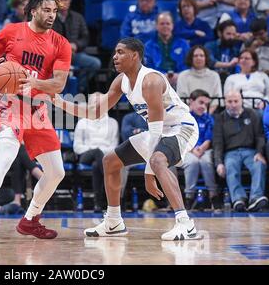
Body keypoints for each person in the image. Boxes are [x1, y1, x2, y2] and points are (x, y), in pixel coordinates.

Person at [54, 37, 202, 241]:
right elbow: (95, 112)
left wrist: (149, 175)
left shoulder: (151, 80)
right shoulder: (121, 81)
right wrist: (59, 102)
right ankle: (114, 221)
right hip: (156, 131)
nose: (115, 56)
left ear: (135, 56)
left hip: (181, 128)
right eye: (115, 52)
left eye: (120, 52)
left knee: (158, 160)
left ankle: (186, 223)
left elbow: (157, 132)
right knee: (110, 161)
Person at [0, 0, 71, 239]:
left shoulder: (60, 43)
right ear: (34, 10)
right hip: (13, 104)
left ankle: (30, 220)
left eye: (55, 11)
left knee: (57, 172)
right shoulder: (12, 31)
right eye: (47, 10)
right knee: (5, 156)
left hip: (38, 110)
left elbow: (58, 84)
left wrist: (34, 82)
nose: (51, 15)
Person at [0, 89, 43, 208]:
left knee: (17, 156)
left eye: (0, 102)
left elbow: (20, 137)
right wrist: (3, 140)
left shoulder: (10, 117)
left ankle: (17, 201)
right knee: (18, 150)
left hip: (12, 150)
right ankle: (38, 173)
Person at [213, 90, 268, 212]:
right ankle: (238, 199)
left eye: (236, 101)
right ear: (225, 102)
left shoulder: (252, 114)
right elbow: (217, 142)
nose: (233, 104)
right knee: (230, 166)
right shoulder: (220, 118)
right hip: (231, 152)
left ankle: (255, 198)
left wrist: (259, 152)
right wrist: (219, 163)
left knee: (259, 165)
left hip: (250, 151)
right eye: (230, 101)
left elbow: (260, 136)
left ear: (241, 101)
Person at [73, 92, 119, 212]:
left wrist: (101, 152)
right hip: (86, 156)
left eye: (100, 101)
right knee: (98, 153)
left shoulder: (113, 123)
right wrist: (94, 149)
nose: (97, 104)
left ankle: (98, 204)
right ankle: (112, 192)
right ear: (89, 105)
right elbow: (77, 147)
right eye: (94, 101)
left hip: (105, 157)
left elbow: (114, 146)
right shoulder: (82, 122)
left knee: (96, 165)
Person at [53, 0, 101, 93]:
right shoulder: (49, 17)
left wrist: (76, 45)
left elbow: (85, 37)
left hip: (75, 54)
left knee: (95, 63)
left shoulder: (78, 17)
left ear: (70, 1)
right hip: (55, 57)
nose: (63, 2)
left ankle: (79, 89)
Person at [182, 90, 221, 210]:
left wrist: (202, 148)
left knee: (206, 162)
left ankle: (213, 195)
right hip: (187, 149)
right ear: (191, 102)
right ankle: (189, 196)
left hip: (205, 149)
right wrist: (193, 149)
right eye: (201, 102)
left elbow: (209, 138)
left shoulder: (209, 118)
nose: (203, 106)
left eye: (206, 104)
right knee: (192, 162)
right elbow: (183, 137)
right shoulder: (185, 117)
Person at [144, 12, 190, 87]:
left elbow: (188, 64)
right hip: (156, 82)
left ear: (172, 25)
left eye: (168, 23)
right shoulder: (148, 46)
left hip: (180, 80)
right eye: (162, 24)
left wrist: (180, 75)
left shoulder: (183, 44)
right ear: (156, 26)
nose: (165, 26)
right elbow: (148, 67)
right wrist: (162, 76)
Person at [176, 45, 223, 114]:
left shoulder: (214, 76)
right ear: (191, 58)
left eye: (201, 56)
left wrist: (206, 116)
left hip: (210, 114)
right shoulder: (183, 76)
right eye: (195, 56)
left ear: (206, 58)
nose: (198, 58)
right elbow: (181, 99)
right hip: (187, 114)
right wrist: (192, 115)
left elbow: (216, 100)